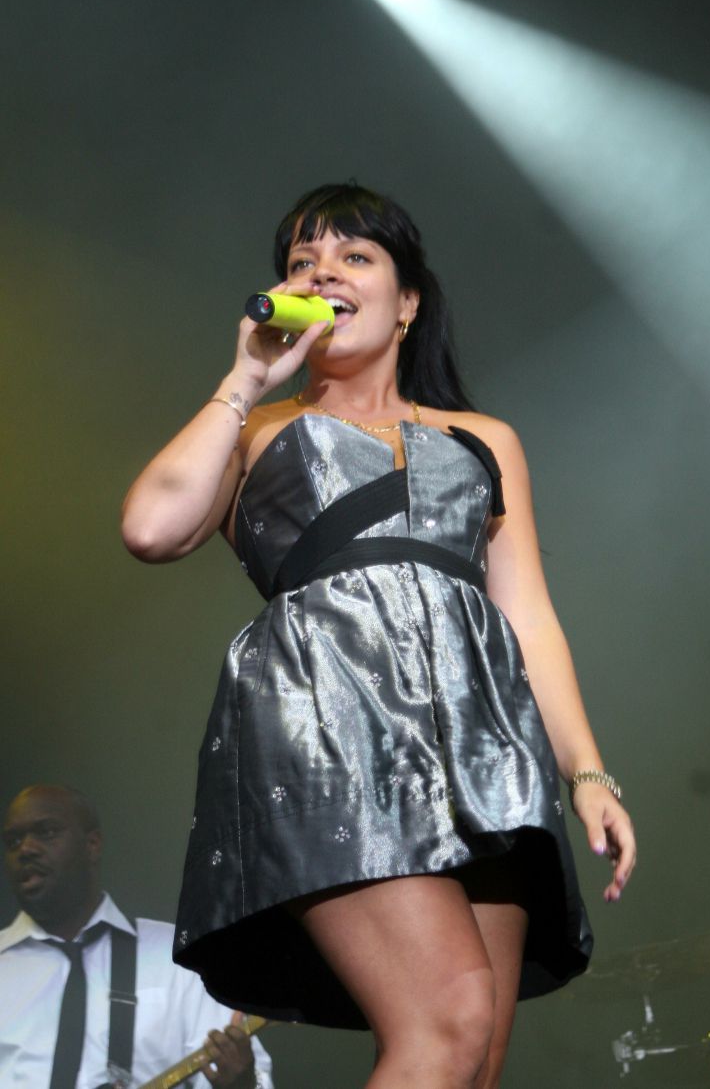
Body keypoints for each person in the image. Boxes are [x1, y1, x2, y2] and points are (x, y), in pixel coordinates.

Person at [121, 182, 636, 1089]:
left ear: (407, 303)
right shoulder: (259, 428)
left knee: (475, 1058)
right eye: (303, 262)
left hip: (481, 750)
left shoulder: (483, 439)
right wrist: (245, 379)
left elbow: (527, 615)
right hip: (331, 729)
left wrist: (587, 771)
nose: (323, 273)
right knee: (447, 1024)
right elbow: (151, 529)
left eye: (353, 256)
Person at [0, 784, 274, 1089]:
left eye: (46, 832)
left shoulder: (179, 958)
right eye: (13, 841)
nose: (26, 849)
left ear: (92, 845)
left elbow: (253, 1078)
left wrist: (243, 1084)